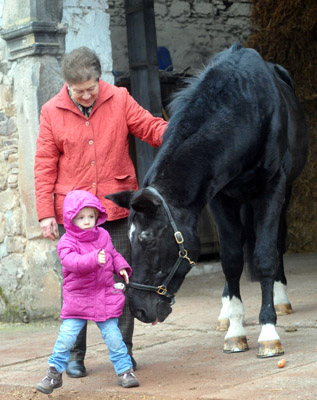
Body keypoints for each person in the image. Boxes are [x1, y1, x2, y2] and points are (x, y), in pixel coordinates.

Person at [34, 46, 168, 378]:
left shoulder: (119, 98)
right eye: (77, 91)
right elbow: (44, 164)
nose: (85, 95)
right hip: (75, 216)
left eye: (90, 88)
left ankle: (123, 354)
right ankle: (75, 356)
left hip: (115, 209)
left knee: (120, 281)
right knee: (76, 287)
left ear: (99, 78)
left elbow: (150, 128)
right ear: (67, 85)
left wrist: (180, 134)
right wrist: (44, 213)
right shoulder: (52, 111)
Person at [36, 190, 139, 394]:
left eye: (91, 216)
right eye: (81, 217)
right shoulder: (67, 242)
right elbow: (71, 262)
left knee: (114, 336)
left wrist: (121, 267)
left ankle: (125, 371)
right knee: (66, 337)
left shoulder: (103, 235)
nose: (87, 221)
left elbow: (113, 254)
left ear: (97, 216)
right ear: (71, 219)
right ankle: (54, 373)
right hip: (79, 299)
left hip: (103, 296)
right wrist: (93, 259)